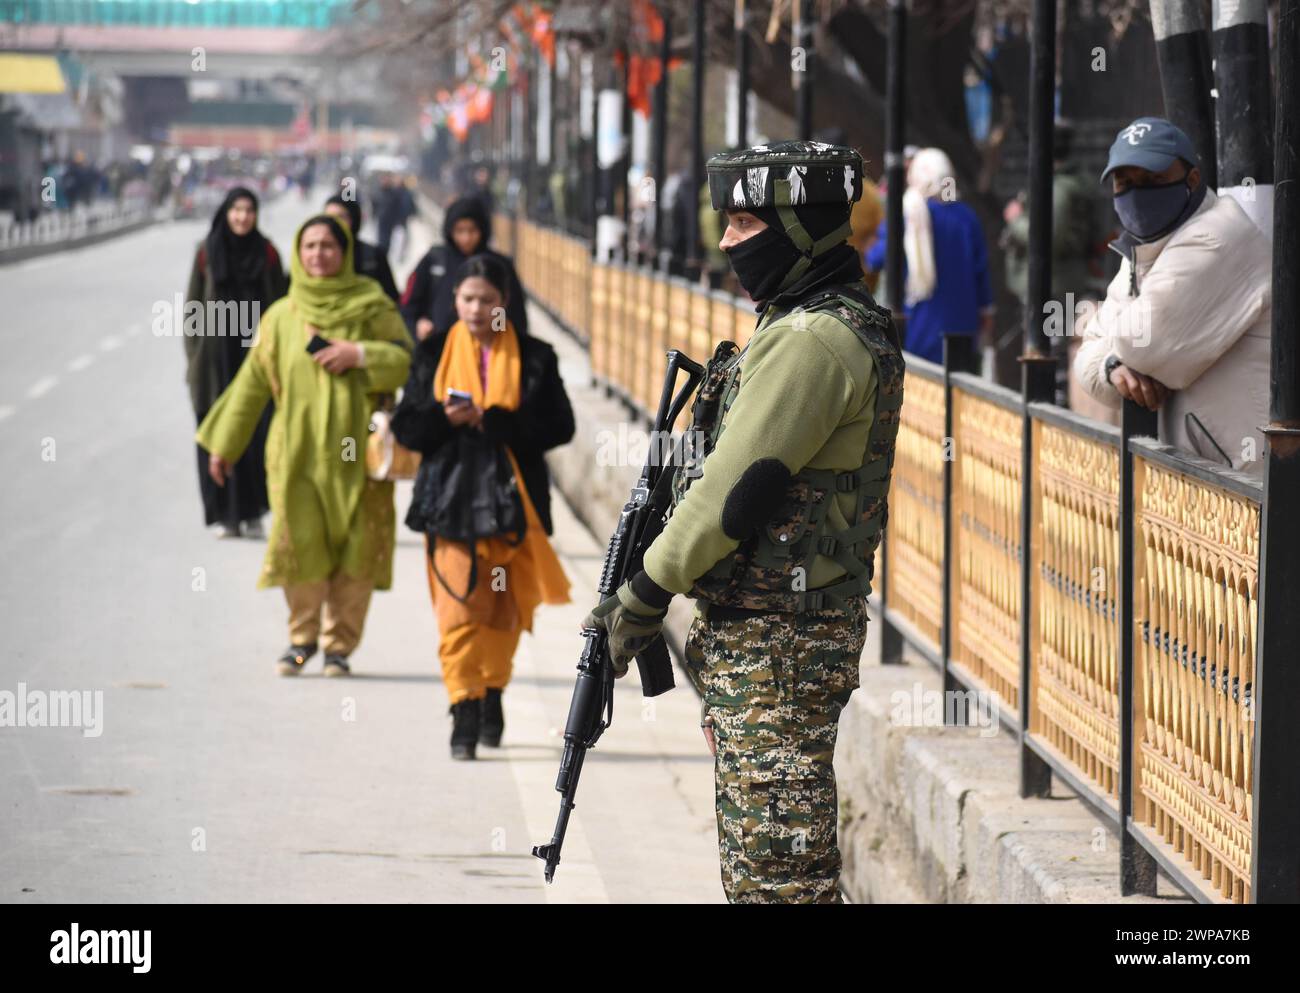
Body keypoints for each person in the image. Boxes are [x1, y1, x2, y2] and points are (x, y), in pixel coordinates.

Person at [584, 140, 905, 903]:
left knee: (780, 880)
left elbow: (732, 495)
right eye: (724, 223)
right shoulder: (802, 321)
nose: (728, 242)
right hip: (765, 636)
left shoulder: (814, 340)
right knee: (759, 869)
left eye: (745, 222)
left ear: (802, 229)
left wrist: (640, 594)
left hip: (781, 643)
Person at [196, 216, 412, 677]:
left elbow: (405, 363)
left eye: (329, 246)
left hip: (362, 458)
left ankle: (338, 647)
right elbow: (251, 386)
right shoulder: (281, 317)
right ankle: (301, 639)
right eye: (310, 246)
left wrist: (360, 355)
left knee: (357, 551)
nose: (319, 254)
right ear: (299, 252)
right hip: (296, 456)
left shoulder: (372, 307)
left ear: (345, 251)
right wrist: (224, 447)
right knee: (301, 545)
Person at [391, 255, 574, 759]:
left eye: (486, 300)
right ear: (454, 301)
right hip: (449, 503)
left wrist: (494, 421)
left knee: (502, 611)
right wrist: (446, 418)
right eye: (467, 299)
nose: (476, 309)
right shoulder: (431, 352)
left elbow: (561, 427)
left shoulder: (536, 357)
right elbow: (407, 427)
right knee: (458, 613)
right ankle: (464, 708)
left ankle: (492, 690)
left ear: (504, 303)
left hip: (513, 506)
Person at [1073, 117, 1271, 474]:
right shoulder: (1139, 251)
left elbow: (1141, 342)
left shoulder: (1217, 237)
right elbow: (1087, 362)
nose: (1138, 192)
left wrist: (1110, 340)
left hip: (1249, 484)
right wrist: (1112, 366)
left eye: (1153, 179)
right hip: (1195, 482)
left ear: (1192, 179)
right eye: (1125, 182)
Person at [184, 187, 288, 539]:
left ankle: (254, 510)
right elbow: (193, 310)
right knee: (215, 431)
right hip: (215, 361)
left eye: (249, 210)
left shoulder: (268, 253)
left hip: (255, 357)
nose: (242, 217)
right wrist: (195, 359)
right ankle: (225, 515)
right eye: (236, 210)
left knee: (256, 434)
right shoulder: (207, 252)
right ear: (226, 213)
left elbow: (281, 303)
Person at [865, 147, 994, 362]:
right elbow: (981, 274)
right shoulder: (968, 217)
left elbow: (876, 259)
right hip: (963, 327)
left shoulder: (907, 214)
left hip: (918, 324)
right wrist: (986, 314)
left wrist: (869, 246)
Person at [400, 196, 528, 342]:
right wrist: (419, 324)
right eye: (460, 231)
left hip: (489, 354)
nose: (466, 238)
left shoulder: (499, 265)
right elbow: (408, 306)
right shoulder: (434, 261)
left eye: (472, 230)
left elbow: (512, 310)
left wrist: (497, 332)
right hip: (439, 351)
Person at [323, 192, 401, 301]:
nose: (335, 222)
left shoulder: (373, 256)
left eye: (341, 217)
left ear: (354, 219)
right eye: (329, 217)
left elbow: (391, 300)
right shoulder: (314, 254)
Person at [375, 173, 416, 258]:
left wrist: (399, 219)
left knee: (395, 242)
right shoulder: (380, 191)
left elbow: (403, 207)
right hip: (384, 221)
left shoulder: (398, 193)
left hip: (396, 222)